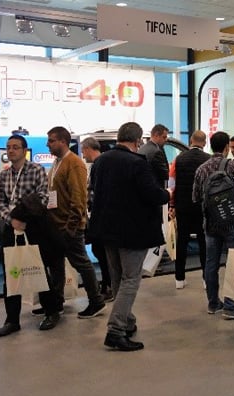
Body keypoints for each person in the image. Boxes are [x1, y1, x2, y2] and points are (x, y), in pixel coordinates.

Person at [89, 122, 170, 351]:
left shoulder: (101, 161)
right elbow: (152, 194)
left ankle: (127, 320)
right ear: (137, 142)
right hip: (132, 231)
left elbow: (95, 190)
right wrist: (166, 194)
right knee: (131, 278)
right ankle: (115, 329)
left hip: (106, 230)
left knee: (117, 278)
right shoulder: (137, 163)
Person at [0, 134, 59, 337]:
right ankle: (12, 320)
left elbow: (42, 197)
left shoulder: (36, 170)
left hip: (33, 228)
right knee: (10, 272)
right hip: (11, 228)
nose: (11, 150)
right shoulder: (4, 175)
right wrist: (11, 219)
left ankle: (51, 312)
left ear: (24, 150)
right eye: (8, 147)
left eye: (15, 147)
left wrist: (23, 217)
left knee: (39, 269)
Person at [46, 126, 106, 319]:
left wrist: (71, 227)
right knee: (55, 266)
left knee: (81, 264)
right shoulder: (57, 162)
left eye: (52, 140)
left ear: (63, 141)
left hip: (69, 227)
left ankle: (96, 301)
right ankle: (56, 303)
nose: (48, 144)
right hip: (56, 225)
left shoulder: (74, 164)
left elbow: (78, 198)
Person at [192, 131, 234, 320]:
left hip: (210, 224)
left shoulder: (201, 169)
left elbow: (196, 197)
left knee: (211, 263)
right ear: (226, 148)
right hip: (233, 222)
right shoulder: (232, 166)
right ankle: (231, 305)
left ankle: (213, 303)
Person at [169, 130, 210, 289]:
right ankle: (206, 278)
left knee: (182, 241)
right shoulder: (208, 160)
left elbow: (171, 185)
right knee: (204, 242)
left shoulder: (178, 159)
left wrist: (172, 205)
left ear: (191, 141)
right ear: (204, 143)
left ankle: (179, 278)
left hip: (183, 206)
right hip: (202, 207)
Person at [80, 136, 113, 302]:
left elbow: (94, 191)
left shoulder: (98, 164)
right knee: (99, 250)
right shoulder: (101, 163)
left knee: (100, 250)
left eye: (82, 150)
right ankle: (107, 283)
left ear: (87, 148)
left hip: (101, 216)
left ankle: (109, 285)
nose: (82, 154)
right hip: (102, 215)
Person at [138, 123, 169, 187]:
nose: (166, 140)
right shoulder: (157, 152)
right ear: (156, 135)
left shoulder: (142, 148)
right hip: (155, 189)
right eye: (164, 137)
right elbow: (165, 174)